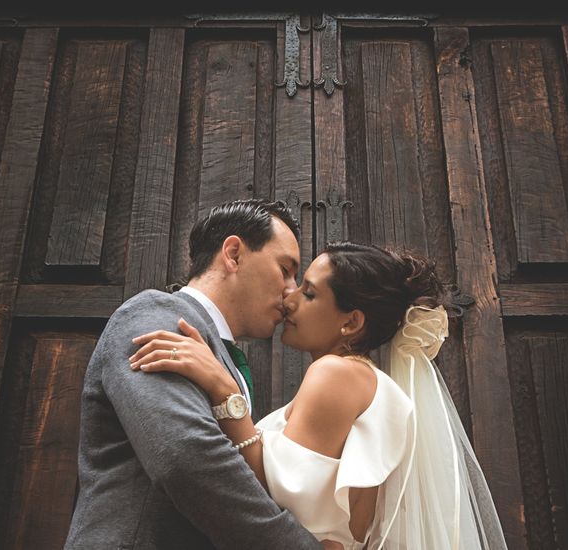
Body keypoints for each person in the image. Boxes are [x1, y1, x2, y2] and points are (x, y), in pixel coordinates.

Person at [129, 242, 510, 549]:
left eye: (309, 293)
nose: (289, 299)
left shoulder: (335, 374)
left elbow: (272, 499)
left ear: (351, 321)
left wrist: (225, 390)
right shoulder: (364, 382)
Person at [64, 199, 330, 549]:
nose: (291, 291)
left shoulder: (220, 357)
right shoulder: (155, 316)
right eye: (285, 270)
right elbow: (185, 457)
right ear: (233, 254)